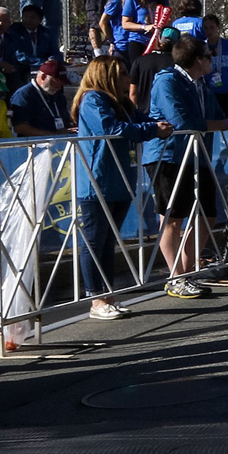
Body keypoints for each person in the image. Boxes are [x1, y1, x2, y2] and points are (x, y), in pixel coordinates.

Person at [72, 56, 170, 320]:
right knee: (94, 241)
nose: (128, 78)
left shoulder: (122, 103)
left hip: (120, 180)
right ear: (107, 76)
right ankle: (96, 298)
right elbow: (111, 127)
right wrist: (152, 130)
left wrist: (157, 124)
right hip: (97, 181)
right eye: (123, 73)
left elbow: (142, 119)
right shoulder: (93, 99)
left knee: (107, 241)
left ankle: (108, 294)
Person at [143, 34, 228, 298]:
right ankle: (177, 277)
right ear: (198, 60)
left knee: (208, 216)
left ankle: (185, 273)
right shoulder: (167, 81)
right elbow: (182, 122)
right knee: (172, 219)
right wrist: (226, 125)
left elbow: (216, 116)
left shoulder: (202, 84)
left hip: (198, 155)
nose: (212, 61)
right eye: (209, 56)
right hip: (169, 156)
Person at [9, 59, 72, 138]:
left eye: (62, 84)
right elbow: (20, 127)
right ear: (43, 77)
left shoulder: (58, 96)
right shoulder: (23, 95)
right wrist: (52, 135)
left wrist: (69, 130)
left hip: (58, 142)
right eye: (55, 83)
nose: (59, 87)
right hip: (32, 145)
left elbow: (65, 120)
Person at [202, 14, 228, 115]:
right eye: (206, 28)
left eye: (212, 27)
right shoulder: (202, 46)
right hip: (209, 93)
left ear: (218, 27)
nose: (209, 31)